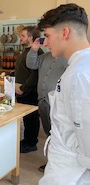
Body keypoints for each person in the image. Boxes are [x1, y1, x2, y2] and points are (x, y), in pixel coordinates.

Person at [38, 3, 90, 185]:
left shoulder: (78, 74)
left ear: (65, 33)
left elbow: (87, 135)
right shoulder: (79, 67)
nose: (45, 42)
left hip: (73, 174)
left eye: (48, 36)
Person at [26, 37, 67, 172]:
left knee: (58, 135)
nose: (48, 43)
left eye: (50, 38)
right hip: (43, 100)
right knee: (48, 132)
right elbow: (31, 64)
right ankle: (51, 162)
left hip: (58, 103)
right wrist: (34, 49)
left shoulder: (67, 57)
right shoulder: (44, 57)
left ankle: (58, 164)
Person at [15, 26, 43, 153]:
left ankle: (31, 143)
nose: (20, 38)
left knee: (31, 117)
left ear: (31, 38)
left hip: (30, 91)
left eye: (23, 36)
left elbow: (35, 74)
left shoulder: (37, 52)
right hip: (22, 90)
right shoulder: (26, 51)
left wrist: (23, 88)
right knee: (26, 118)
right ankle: (27, 139)